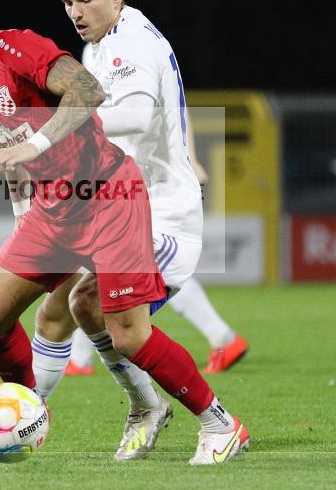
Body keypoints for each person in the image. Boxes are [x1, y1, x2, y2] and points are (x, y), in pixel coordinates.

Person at [0, 0, 247, 465]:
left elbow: (88, 91)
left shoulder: (19, 48)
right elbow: (12, 153)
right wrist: (24, 211)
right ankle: (24, 414)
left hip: (109, 198)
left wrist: (37, 140)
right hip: (54, 210)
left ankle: (221, 425)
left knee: (124, 331)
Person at [28, 0, 249, 463]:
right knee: (76, 304)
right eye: (67, 2)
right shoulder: (100, 47)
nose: (75, 12)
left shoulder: (130, 43)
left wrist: (51, 135)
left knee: (110, 322)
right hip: (127, 206)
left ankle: (217, 425)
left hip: (165, 215)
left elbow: (133, 117)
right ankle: (137, 409)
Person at [65, 114, 249, 376]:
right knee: (142, 266)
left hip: (147, 182)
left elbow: (163, 108)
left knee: (113, 266)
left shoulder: (117, 78)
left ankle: (80, 359)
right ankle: (222, 338)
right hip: (145, 179)